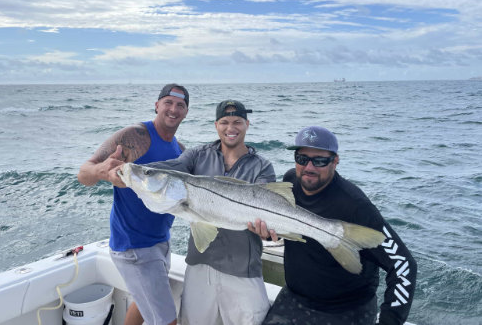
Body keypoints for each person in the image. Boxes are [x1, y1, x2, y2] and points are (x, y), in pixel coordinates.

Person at [109, 100, 275, 325]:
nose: (231, 128)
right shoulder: (197, 155)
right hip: (200, 264)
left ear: (247, 124)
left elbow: (271, 214)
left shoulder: (262, 166)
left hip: (242, 269)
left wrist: (268, 232)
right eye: (224, 122)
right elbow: (168, 169)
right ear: (216, 125)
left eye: (237, 122)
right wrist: (131, 169)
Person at [249, 126, 417, 325]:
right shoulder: (290, 181)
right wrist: (268, 234)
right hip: (294, 298)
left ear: (335, 161)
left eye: (319, 160)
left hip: (346, 310)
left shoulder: (355, 206)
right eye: (302, 159)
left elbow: (403, 265)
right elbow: (287, 227)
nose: (309, 168)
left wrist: (389, 321)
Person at [77, 84, 190, 325]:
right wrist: (102, 172)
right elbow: (83, 173)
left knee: (141, 302)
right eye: (168, 102)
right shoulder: (134, 136)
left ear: (186, 112)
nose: (173, 109)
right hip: (135, 247)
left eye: (180, 105)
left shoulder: (179, 150)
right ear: (157, 105)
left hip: (160, 241)